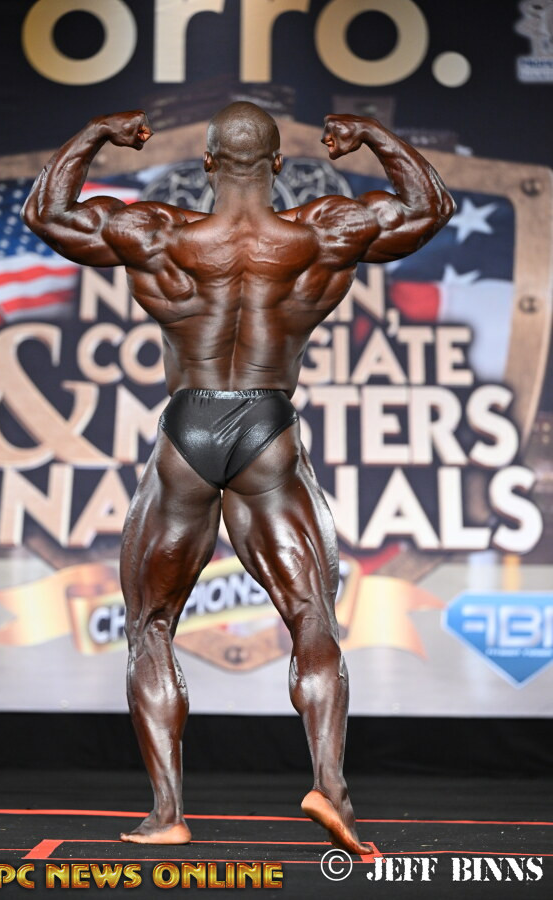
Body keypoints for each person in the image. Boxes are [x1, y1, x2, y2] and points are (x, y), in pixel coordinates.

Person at [22, 102, 455, 852]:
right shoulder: (322, 233)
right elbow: (429, 208)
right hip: (267, 423)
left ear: (208, 163)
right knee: (312, 616)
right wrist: (375, 137)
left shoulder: (161, 233)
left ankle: (167, 815)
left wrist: (95, 135)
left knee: (151, 626)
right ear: (280, 163)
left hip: (188, 426)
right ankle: (331, 789)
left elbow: (47, 213)